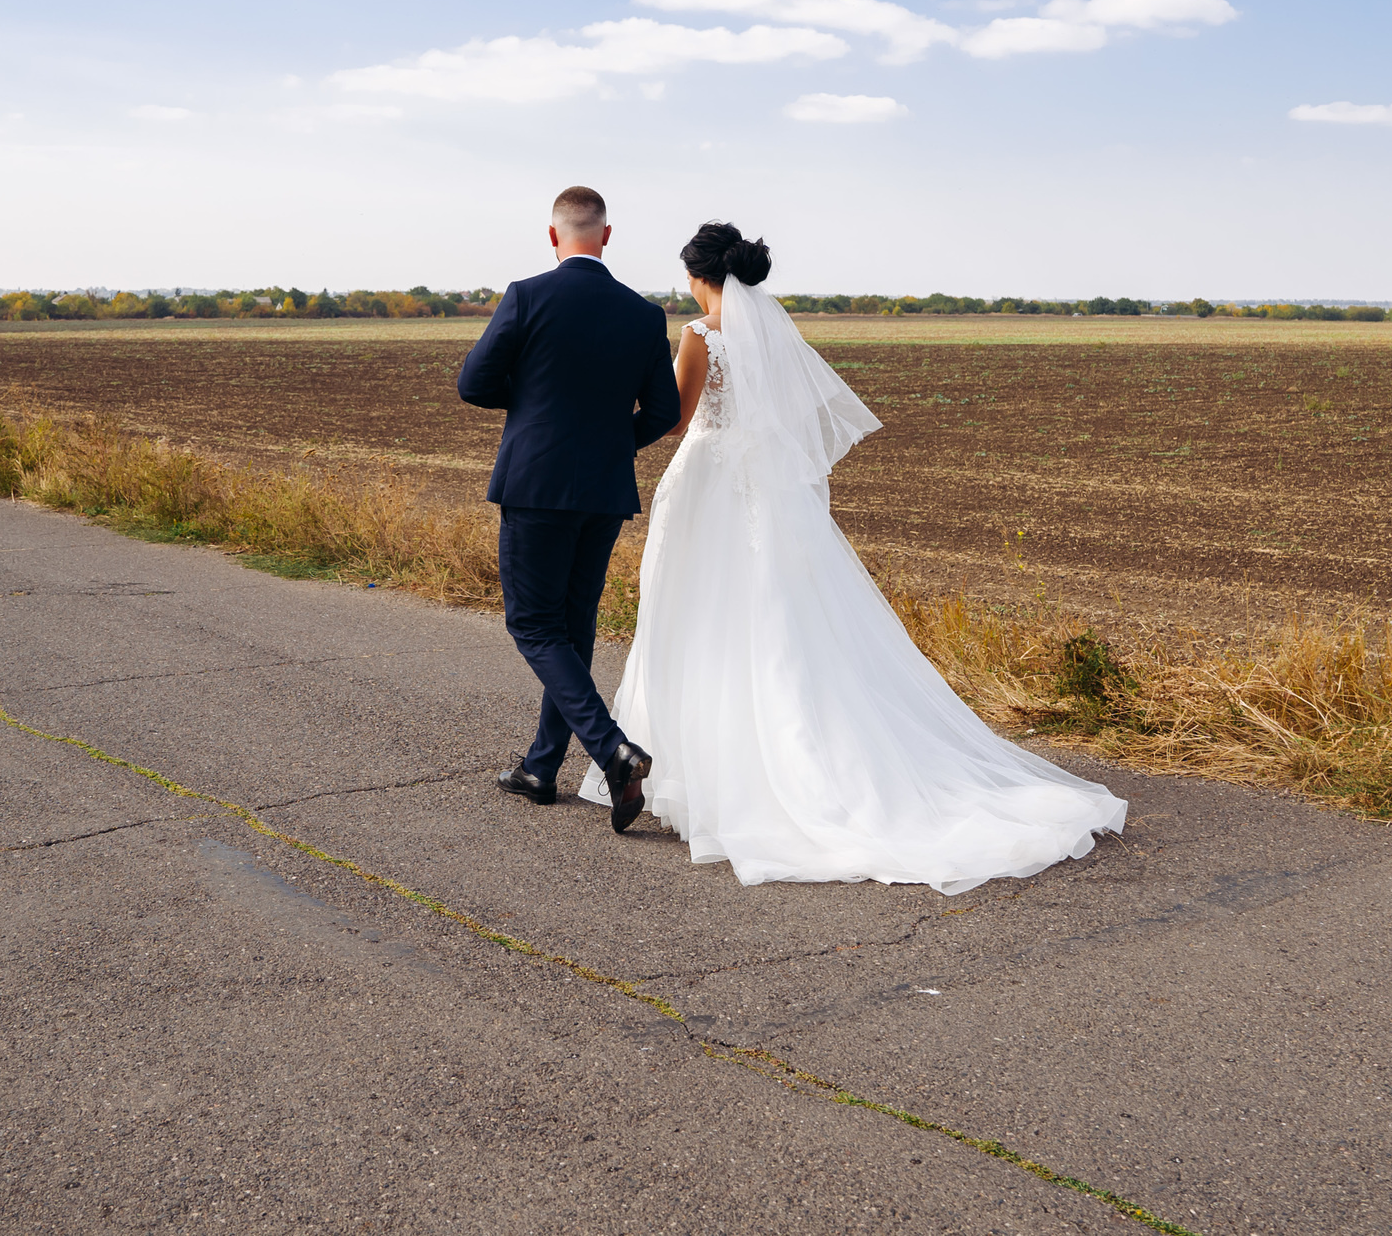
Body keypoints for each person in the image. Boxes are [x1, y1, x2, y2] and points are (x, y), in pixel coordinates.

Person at [579, 221, 1127, 893]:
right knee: (779, 616)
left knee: (701, 614)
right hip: (768, 494)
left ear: (699, 276)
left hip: (710, 485)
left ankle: (704, 769)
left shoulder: (700, 334)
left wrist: (607, 421)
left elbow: (676, 417)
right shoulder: (773, 334)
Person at [456, 186, 683, 833]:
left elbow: (473, 383)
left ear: (553, 235)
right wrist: (611, 441)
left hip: (536, 483)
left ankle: (613, 750)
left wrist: (532, 400)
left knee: (533, 625)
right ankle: (540, 768)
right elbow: (664, 412)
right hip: (603, 489)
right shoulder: (644, 314)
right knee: (573, 626)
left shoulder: (527, 296)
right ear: (606, 236)